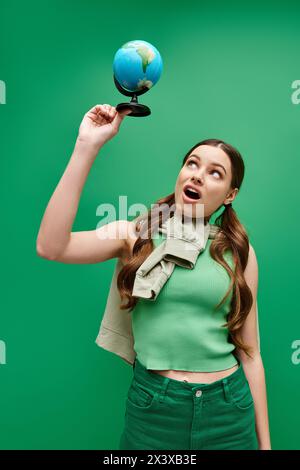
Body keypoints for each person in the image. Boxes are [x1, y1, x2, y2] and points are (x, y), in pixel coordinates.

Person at [36, 103, 271, 450]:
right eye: (192, 163)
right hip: (155, 409)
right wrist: (87, 145)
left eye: (215, 173)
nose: (197, 175)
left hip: (228, 410)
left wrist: (265, 446)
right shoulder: (134, 236)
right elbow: (52, 246)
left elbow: (251, 354)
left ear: (230, 195)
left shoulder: (238, 252)